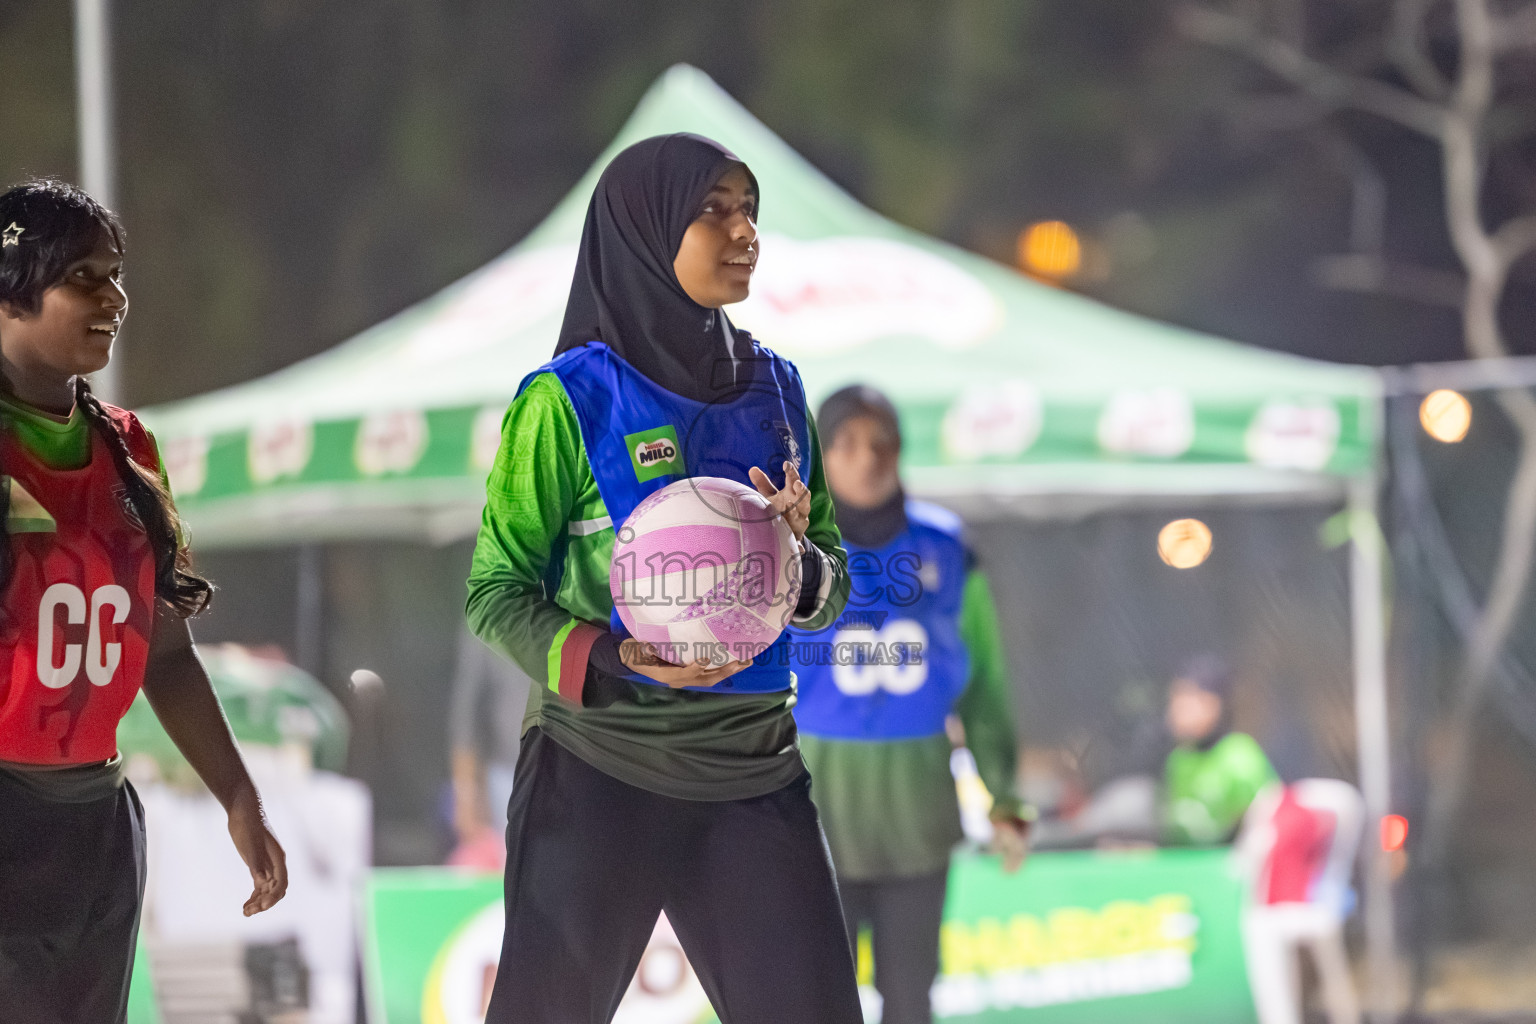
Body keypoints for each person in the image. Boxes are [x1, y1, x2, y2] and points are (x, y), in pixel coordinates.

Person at [466, 134, 862, 1022]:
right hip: (598, 768)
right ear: (645, 230)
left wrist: (798, 566)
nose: (744, 230)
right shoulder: (567, 401)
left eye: (750, 209)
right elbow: (494, 592)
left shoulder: (778, 389)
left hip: (754, 772)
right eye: (713, 209)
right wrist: (619, 656)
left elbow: (832, 589)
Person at [0, 179, 287, 1024]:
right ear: (14, 281)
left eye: (115, 273)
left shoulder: (126, 446)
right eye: (82, 276)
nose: (113, 297)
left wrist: (239, 795)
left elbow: (161, 646)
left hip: (94, 822)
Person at [787, 385, 1031, 1024]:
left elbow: (983, 683)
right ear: (820, 454)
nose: (865, 458)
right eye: (843, 443)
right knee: (813, 998)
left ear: (900, 448)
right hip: (816, 809)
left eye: (880, 441)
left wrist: (1003, 795)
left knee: (911, 998)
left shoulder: (948, 548)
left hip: (917, 809)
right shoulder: (785, 546)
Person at [1162, 653, 1277, 845]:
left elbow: (1268, 825)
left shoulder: (1239, 756)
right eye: (1175, 699)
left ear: (1216, 705)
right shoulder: (1178, 760)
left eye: (1190, 699)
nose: (1178, 710)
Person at [446, 624, 531, 867]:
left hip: (569, 764)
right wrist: (465, 795)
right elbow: (466, 717)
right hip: (508, 773)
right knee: (516, 869)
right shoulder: (488, 619)